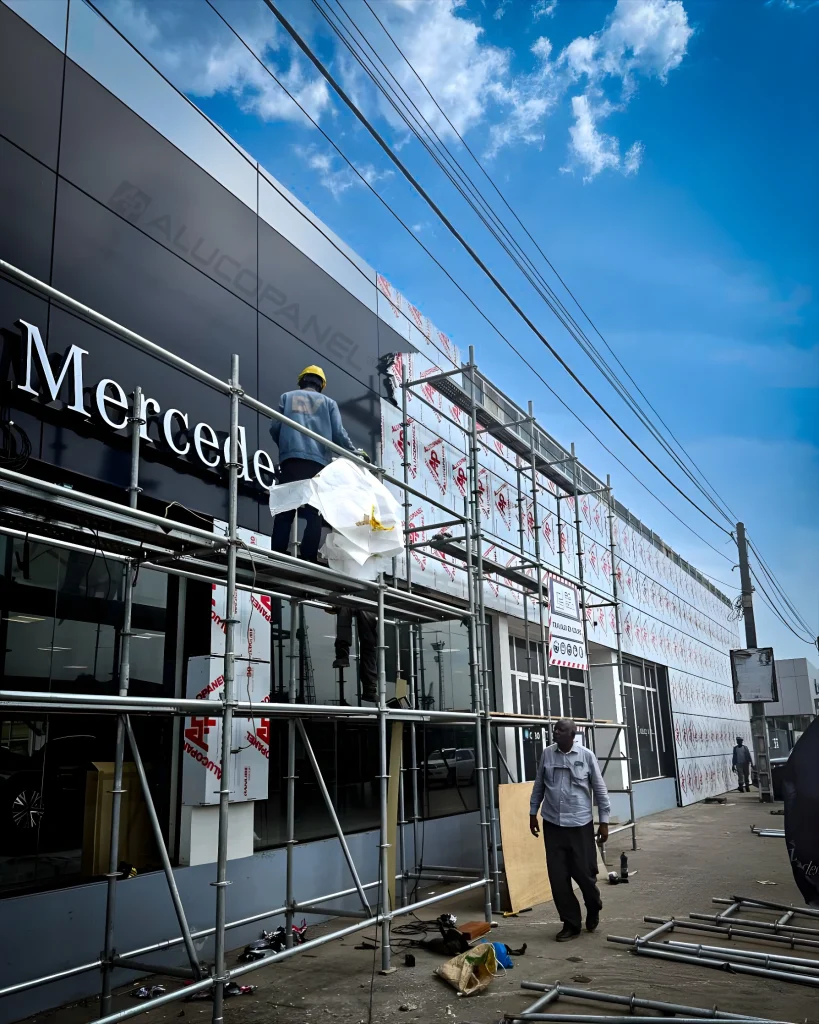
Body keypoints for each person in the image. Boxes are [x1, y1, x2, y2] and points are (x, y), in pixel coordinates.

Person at [529, 719, 610, 942]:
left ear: (572, 734)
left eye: (561, 729)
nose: (555, 731)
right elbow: (539, 785)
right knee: (558, 877)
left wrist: (604, 821)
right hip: (553, 824)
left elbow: (600, 790)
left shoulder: (586, 756)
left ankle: (593, 906)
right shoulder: (547, 754)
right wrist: (533, 812)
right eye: (555, 728)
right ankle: (571, 923)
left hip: (579, 825)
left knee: (585, 875)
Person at [270, 365, 360, 563]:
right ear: (321, 385)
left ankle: (277, 553)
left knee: (285, 509)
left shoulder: (287, 397)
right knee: (314, 513)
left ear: (302, 381)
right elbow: (338, 433)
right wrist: (354, 453)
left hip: (291, 461)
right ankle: (309, 556)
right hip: (317, 464)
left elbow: (275, 428)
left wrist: (287, 447)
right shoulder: (329, 403)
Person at [332, 607, 378, 704]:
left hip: (366, 603)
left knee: (369, 644)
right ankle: (342, 655)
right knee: (369, 645)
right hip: (361, 602)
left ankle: (370, 689)